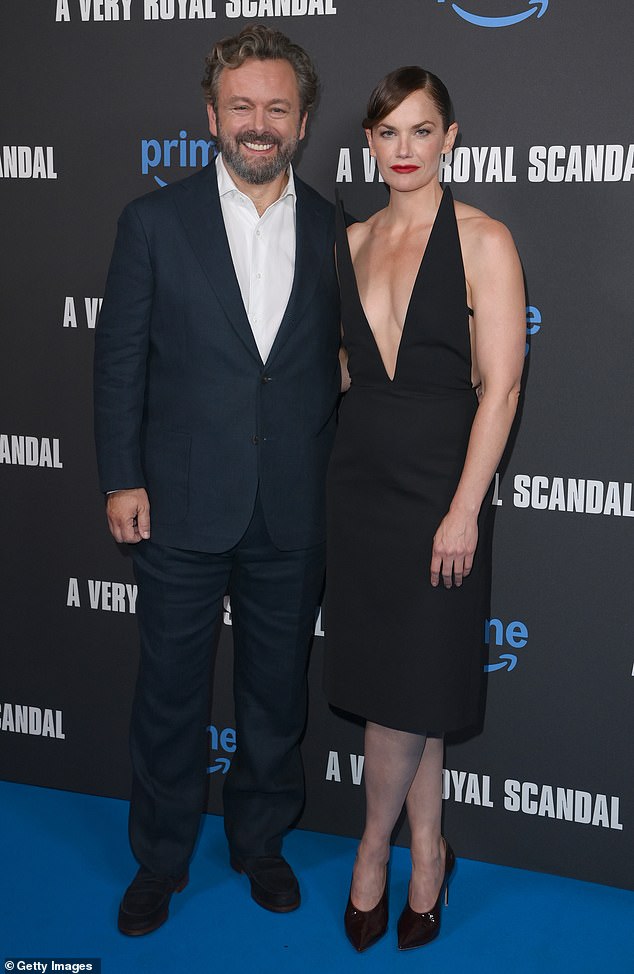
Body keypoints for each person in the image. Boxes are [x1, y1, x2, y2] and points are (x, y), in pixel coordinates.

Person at [93, 24, 340, 936]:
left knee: (276, 694)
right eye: (243, 106)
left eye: (278, 107)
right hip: (181, 501)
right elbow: (120, 361)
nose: (259, 123)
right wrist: (121, 477)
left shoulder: (333, 229)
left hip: (292, 507)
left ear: (304, 121)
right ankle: (158, 862)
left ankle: (261, 846)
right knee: (169, 694)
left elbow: (338, 366)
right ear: (212, 116)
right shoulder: (152, 222)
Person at [324, 66, 525, 952]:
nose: (403, 149)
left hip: (441, 489)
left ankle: (376, 852)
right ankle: (432, 849)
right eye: (386, 132)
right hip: (359, 487)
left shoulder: (485, 240)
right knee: (406, 690)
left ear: (451, 137)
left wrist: (463, 509)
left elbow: (504, 386)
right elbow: (342, 369)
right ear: (369, 142)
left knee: (407, 689)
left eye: (420, 130)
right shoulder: (353, 238)